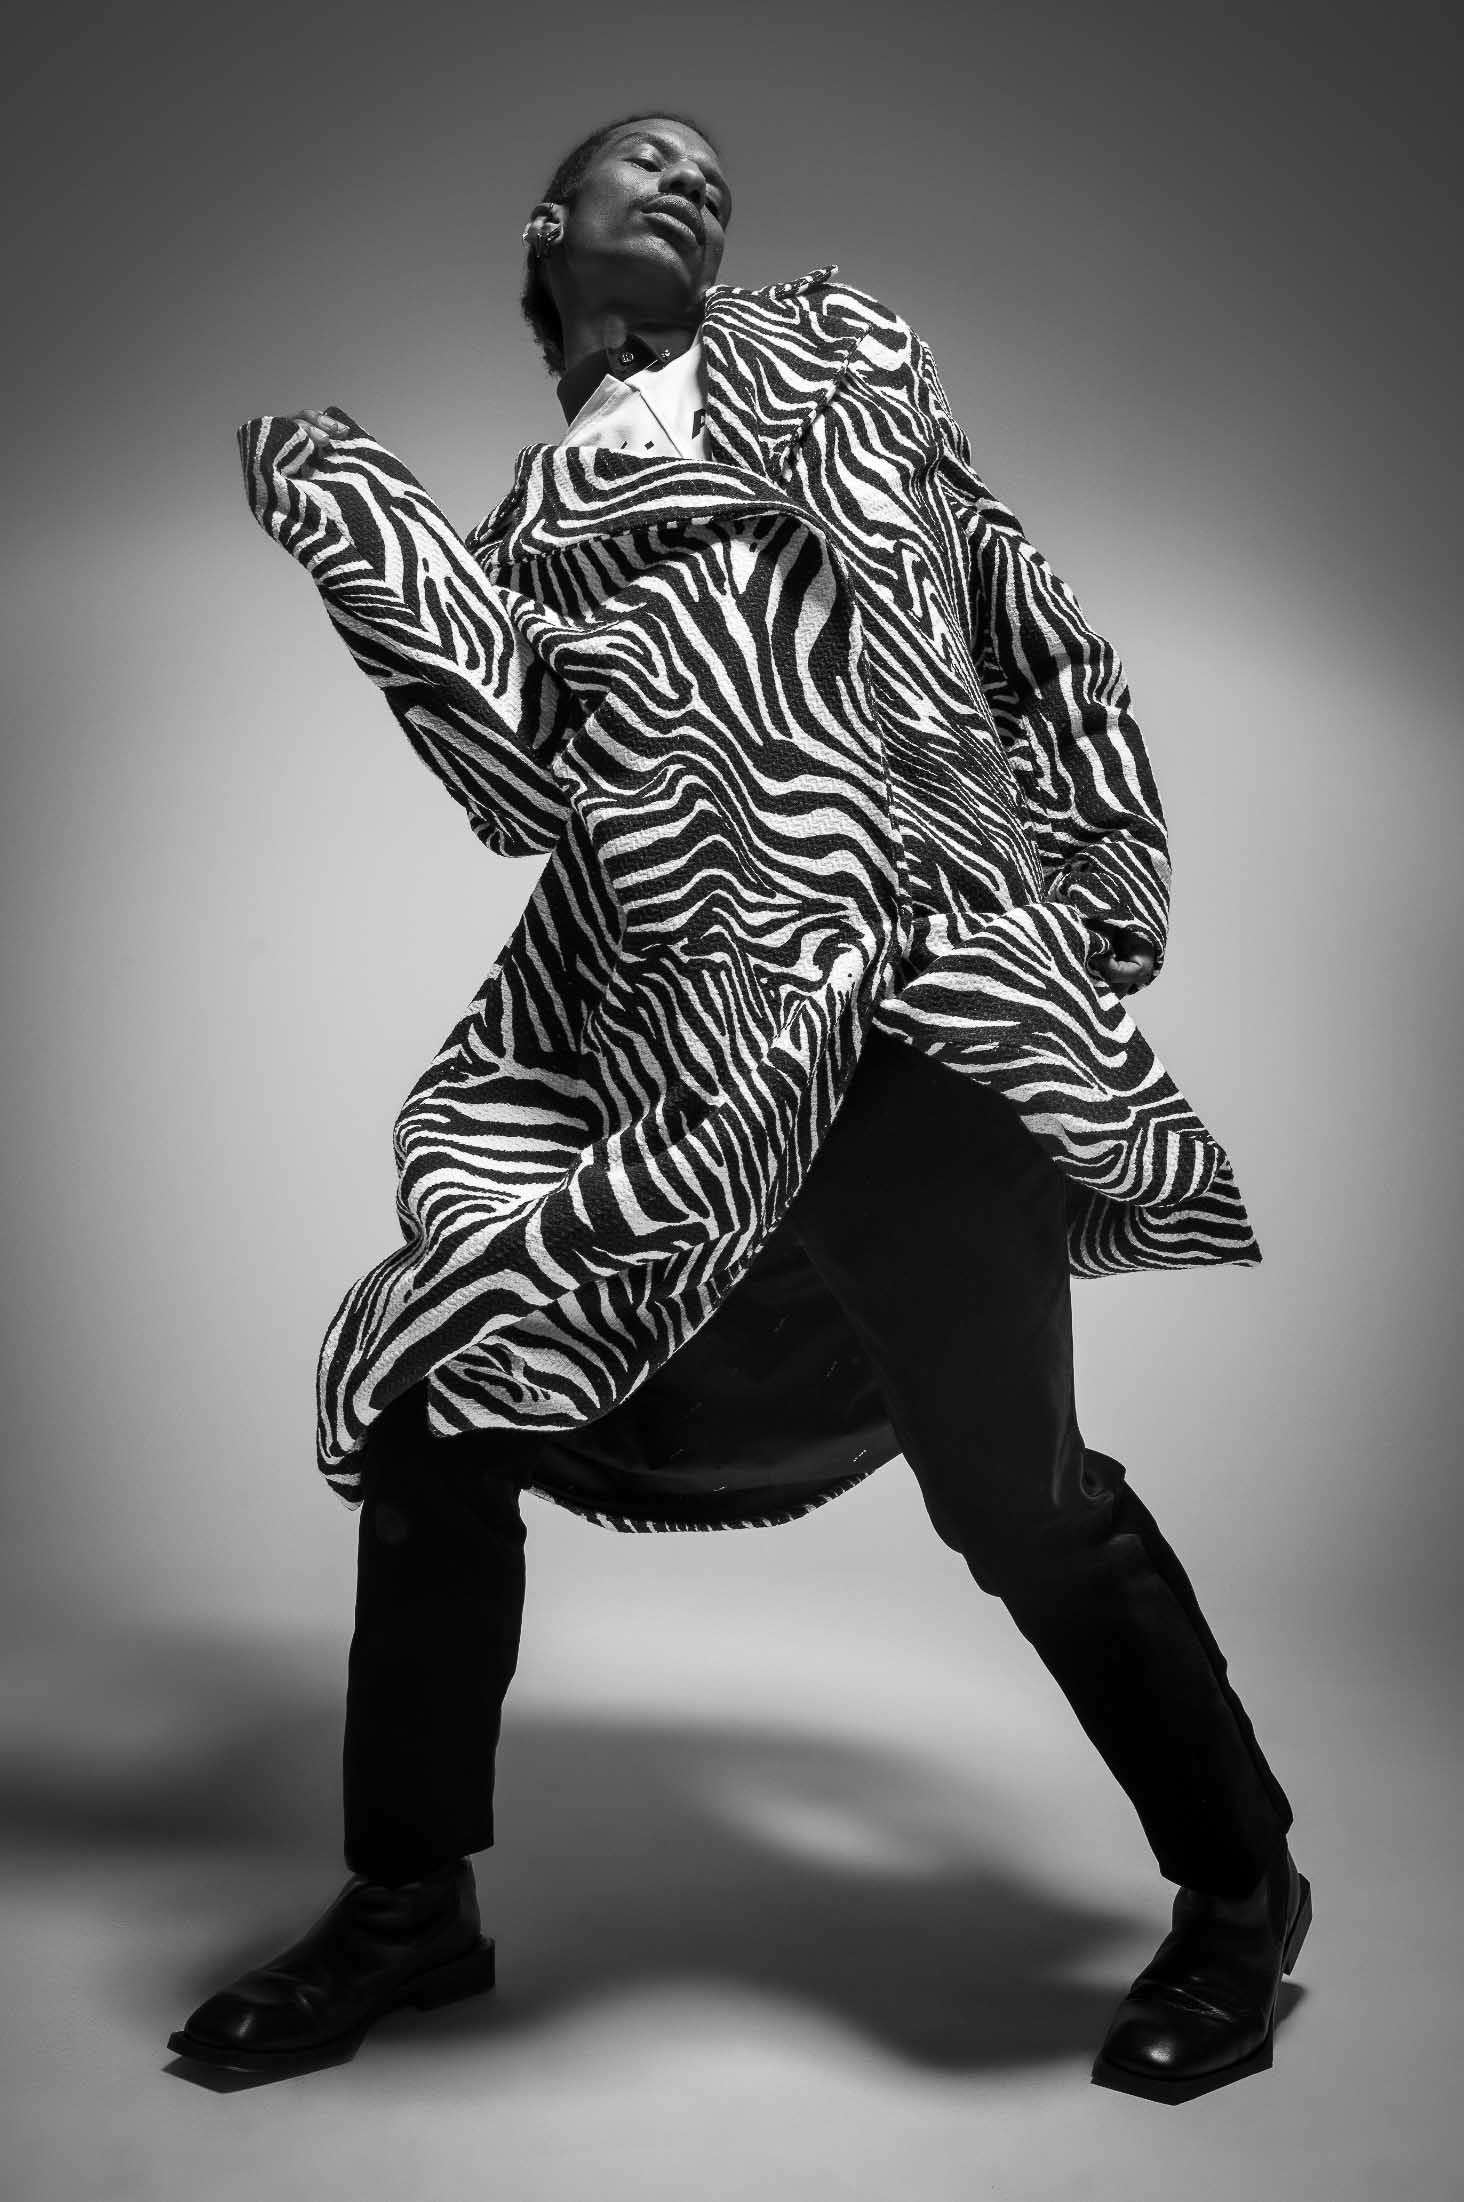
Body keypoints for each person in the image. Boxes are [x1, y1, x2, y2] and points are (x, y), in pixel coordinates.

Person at [168, 112, 1310, 2100]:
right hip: (689, 1077)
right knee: (444, 1402)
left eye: (712, 170)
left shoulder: (841, 362)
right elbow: (520, 788)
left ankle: (1240, 1892)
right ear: (553, 227)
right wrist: (347, 511)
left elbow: (1030, 629)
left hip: (912, 1015)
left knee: (1017, 1498)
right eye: (644, 160)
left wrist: (1090, 893)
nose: (693, 178)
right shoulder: (533, 535)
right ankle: (406, 1904)